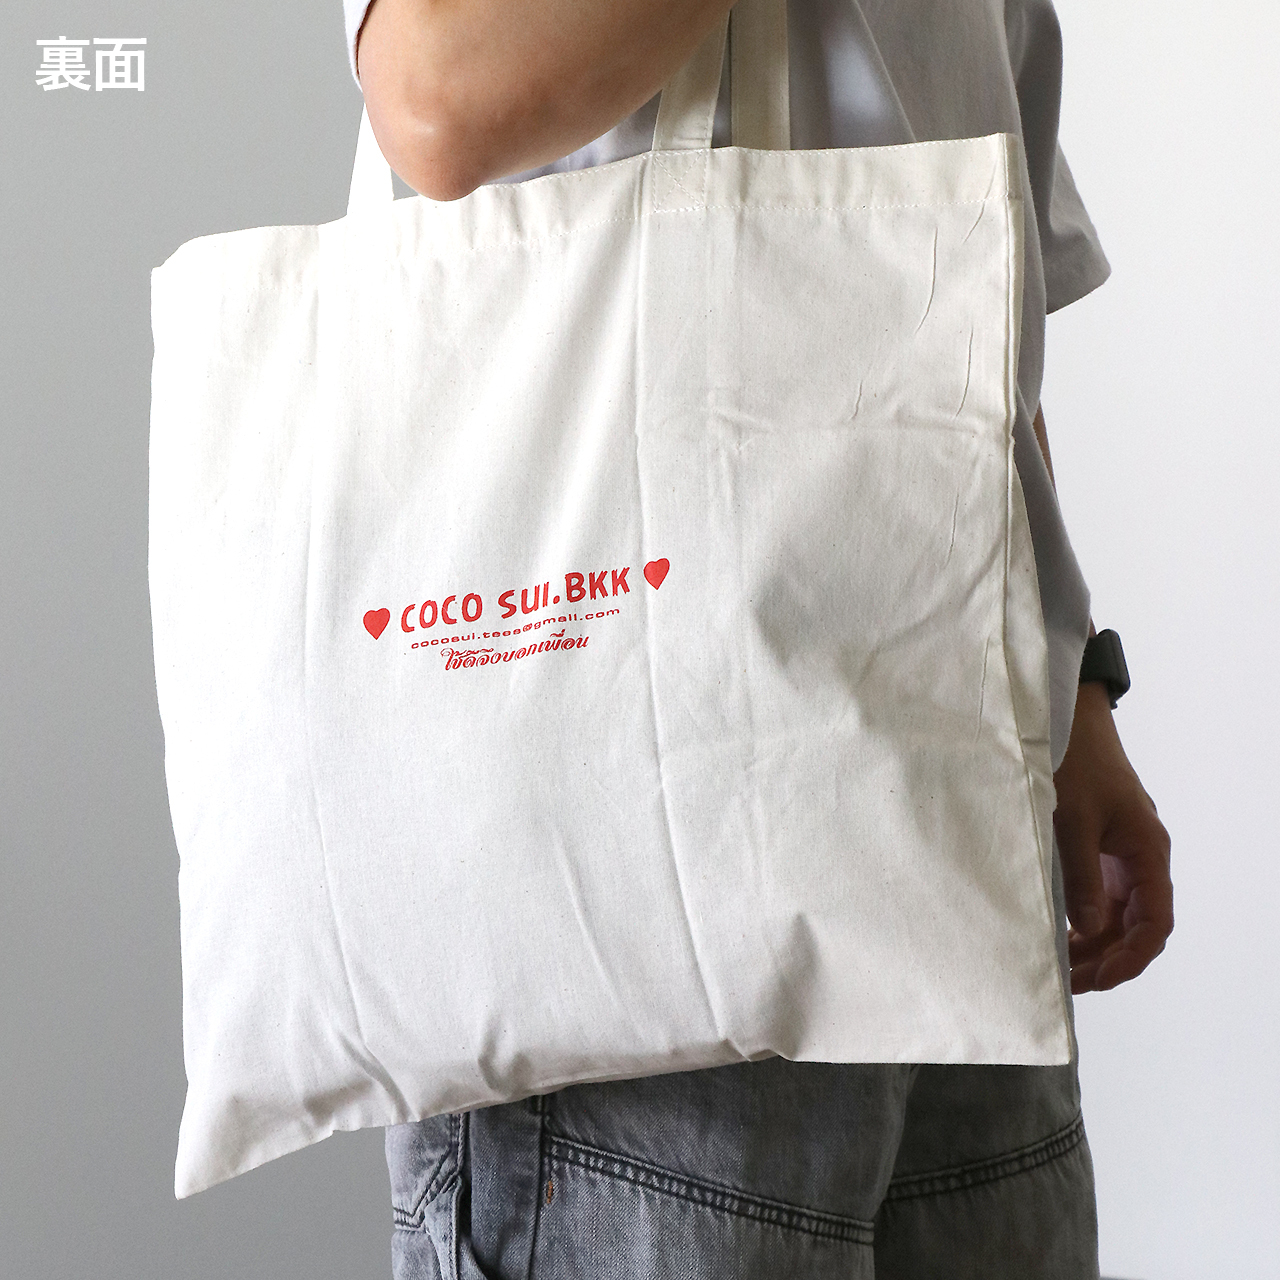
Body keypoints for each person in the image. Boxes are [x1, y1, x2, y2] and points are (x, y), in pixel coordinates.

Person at [344, 1, 1175, 1275]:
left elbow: (974, 286)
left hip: (952, 822)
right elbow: (438, 93)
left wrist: (1071, 694)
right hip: (640, 856)